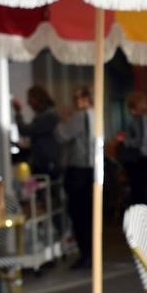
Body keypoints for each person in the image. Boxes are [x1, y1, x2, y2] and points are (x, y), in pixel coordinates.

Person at [56, 85, 95, 270]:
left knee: (79, 214)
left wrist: (64, 118)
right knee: (89, 214)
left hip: (79, 170)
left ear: (83, 99)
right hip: (93, 170)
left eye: (76, 99)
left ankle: (86, 254)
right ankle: (93, 253)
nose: (75, 102)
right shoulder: (96, 115)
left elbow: (61, 135)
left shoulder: (79, 117)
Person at [12, 86, 61, 180]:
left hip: (47, 165)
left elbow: (25, 131)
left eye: (30, 99)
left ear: (38, 99)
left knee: (46, 192)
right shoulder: (43, 116)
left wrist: (18, 113)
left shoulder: (49, 116)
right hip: (43, 163)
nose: (28, 103)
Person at [120, 91, 147, 207]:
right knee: (138, 191)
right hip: (139, 159)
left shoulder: (142, 120)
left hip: (140, 160)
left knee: (139, 192)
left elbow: (142, 141)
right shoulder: (139, 120)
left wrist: (125, 141)